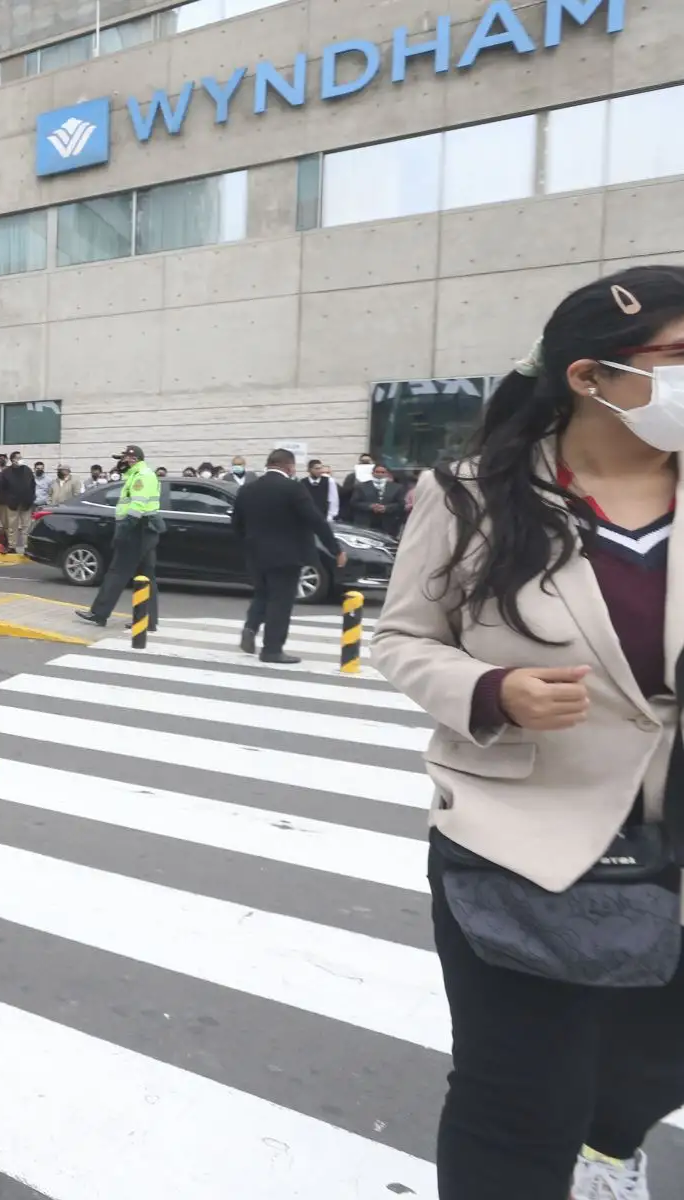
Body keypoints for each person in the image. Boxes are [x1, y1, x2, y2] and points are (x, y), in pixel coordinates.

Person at [374, 266, 684, 1200]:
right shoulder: (474, 495)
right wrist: (490, 689)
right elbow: (402, 638)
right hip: (520, 835)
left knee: (654, 1058)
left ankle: (610, 1148)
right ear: (590, 376)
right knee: (517, 1097)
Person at [230, 448, 343, 664]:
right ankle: (272, 649)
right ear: (289, 466)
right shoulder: (293, 488)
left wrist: (248, 545)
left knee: (262, 594)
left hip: (256, 554)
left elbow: (236, 524)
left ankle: (250, 627)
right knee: (280, 601)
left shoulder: (248, 489)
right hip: (286, 554)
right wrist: (335, 549)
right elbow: (315, 520)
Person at [77, 445, 163, 629]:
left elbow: (137, 507)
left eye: (123, 459)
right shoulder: (138, 474)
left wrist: (123, 531)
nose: (120, 463)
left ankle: (99, 613)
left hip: (137, 529)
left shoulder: (141, 476)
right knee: (146, 576)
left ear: (133, 459)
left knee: (117, 572)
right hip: (145, 530)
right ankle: (147, 621)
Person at [350, 462, 407, 537]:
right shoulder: (361, 486)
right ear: (372, 473)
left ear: (387, 474)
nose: (380, 474)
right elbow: (354, 502)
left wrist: (386, 508)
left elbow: (401, 504)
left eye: (382, 472)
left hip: (388, 524)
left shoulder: (397, 487)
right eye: (377, 472)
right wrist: (370, 506)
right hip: (366, 523)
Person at [0, 451, 36, 553]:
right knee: (12, 526)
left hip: (26, 503)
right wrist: (7, 500)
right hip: (12, 504)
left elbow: (33, 485)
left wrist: (31, 498)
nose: (20, 459)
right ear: (13, 460)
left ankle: (27, 546)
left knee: (26, 526)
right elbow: (2, 489)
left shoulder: (27, 470)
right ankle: (12, 546)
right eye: (18, 458)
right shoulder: (6, 472)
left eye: (21, 457)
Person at [304, 459, 341, 524]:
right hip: (308, 517)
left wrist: (330, 516)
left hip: (324, 517)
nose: (320, 471)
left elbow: (333, 500)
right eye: (317, 469)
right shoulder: (303, 482)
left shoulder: (329, 481)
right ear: (309, 470)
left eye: (320, 468)